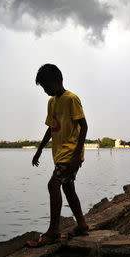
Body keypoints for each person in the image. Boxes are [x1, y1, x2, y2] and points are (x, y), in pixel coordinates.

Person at [26, 64, 89, 247]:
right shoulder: (51, 102)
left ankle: (53, 231)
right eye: (43, 88)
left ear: (58, 81)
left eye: (47, 86)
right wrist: (39, 149)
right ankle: (82, 225)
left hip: (70, 154)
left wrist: (77, 154)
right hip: (59, 154)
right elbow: (51, 128)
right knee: (68, 189)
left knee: (53, 185)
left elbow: (84, 126)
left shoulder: (71, 99)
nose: (45, 91)